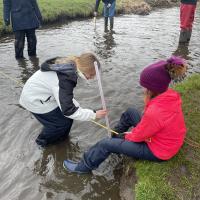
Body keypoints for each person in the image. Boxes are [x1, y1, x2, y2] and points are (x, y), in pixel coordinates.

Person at [63, 56, 187, 174]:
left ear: (151, 89)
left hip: (158, 151)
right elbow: (151, 126)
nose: (143, 90)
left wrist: (125, 136)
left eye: (145, 87)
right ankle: (114, 138)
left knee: (105, 144)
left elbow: (139, 136)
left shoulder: (155, 112)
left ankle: (83, 167)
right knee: (131, 112)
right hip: (165, 139)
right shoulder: (169, 95)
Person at [19, 53, 107, 147]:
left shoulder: (70, 66)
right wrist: (94, 115)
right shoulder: (66, 77)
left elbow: (65, 98)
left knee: (67, 120)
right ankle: (41, 143)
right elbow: (68, 111)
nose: (92, 78)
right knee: (59, 125)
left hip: (46, 95)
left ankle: (62, 141)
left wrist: (81, 109)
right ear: (86, 69)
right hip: (34, 100)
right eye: (92, 74)